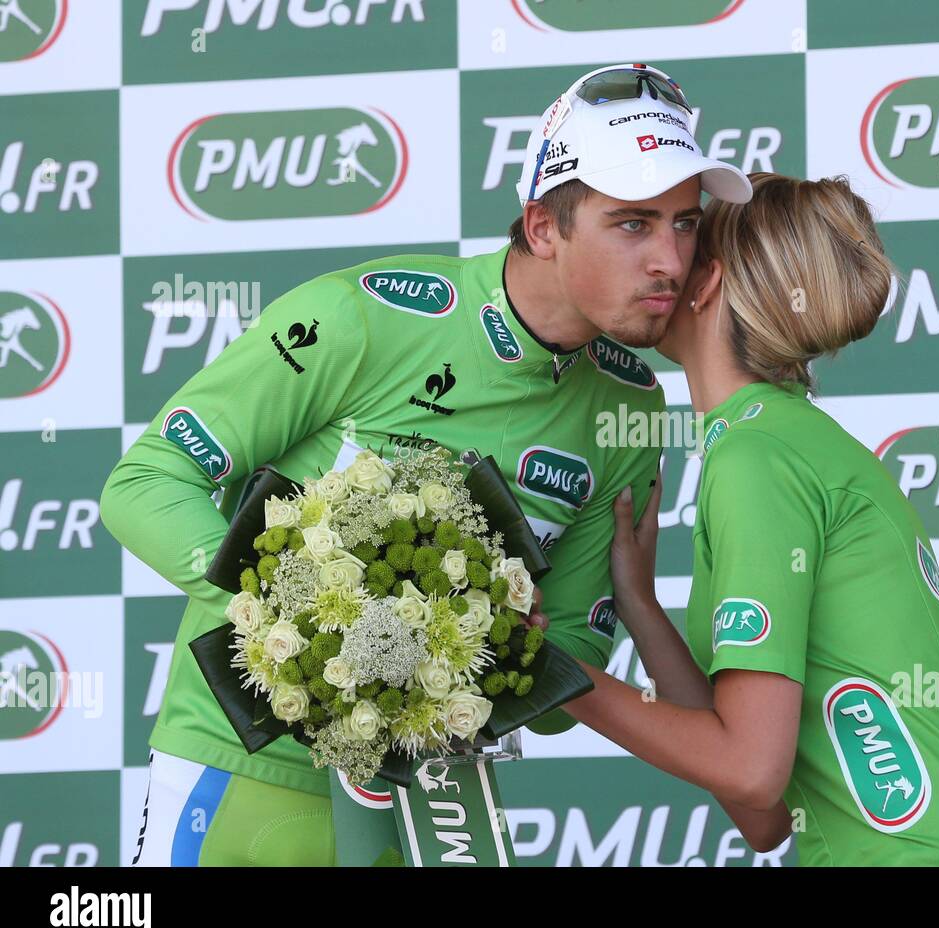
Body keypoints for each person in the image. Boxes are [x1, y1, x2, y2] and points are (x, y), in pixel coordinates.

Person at [99, 63, 752, 866]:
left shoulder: (631, 409)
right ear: (543, 226)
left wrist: (517, 648)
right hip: (240, 770)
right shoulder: (362, 319)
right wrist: (293, 609)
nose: (669, 261)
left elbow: (558, 692)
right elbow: (144, 483)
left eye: (685, 224)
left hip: (427, 811)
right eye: (632, 224)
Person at [561, 172, 939, 866]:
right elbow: (764, 816)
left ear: (706, 283)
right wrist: (641, 607)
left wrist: (550, 673)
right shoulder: (780, 440)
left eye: (685, 237)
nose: (661, 262)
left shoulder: (757, 459)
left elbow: (752, 772)